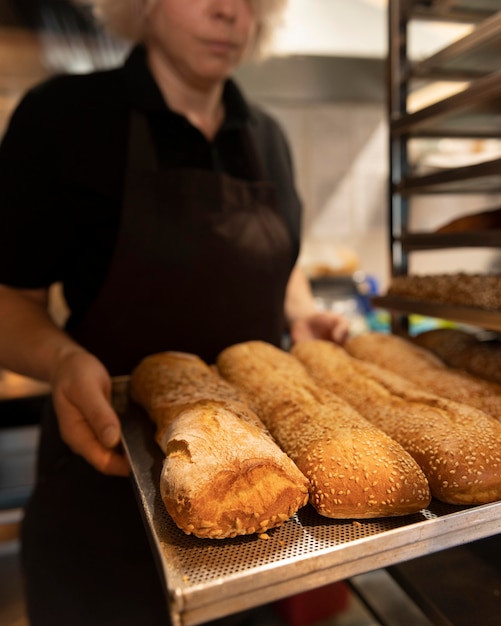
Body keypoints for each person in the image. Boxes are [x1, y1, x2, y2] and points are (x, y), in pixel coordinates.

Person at [0, 1, 349, 624]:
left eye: (250, 1)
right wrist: (62, 359)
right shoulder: (66, 119)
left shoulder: (265, 134)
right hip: (103, 489)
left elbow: (280, 259)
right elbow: (7, 298)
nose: (228, 13)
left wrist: (301, 315)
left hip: (256, 501)